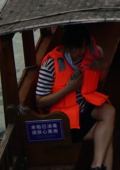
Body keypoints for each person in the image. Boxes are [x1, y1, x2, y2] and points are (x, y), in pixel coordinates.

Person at [34, 25, 115, 170]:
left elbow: (99, 79)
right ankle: (97, 166)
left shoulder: (88, 56)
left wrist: (104, 64)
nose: (82, 52)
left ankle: (96, 166)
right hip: (65, 121)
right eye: (78, 48)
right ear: (68, 46)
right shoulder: (51, 65)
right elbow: (40, 102)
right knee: (106, 135)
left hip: (83, 108)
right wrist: (68, 89)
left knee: (110, 111)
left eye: (84, 46)